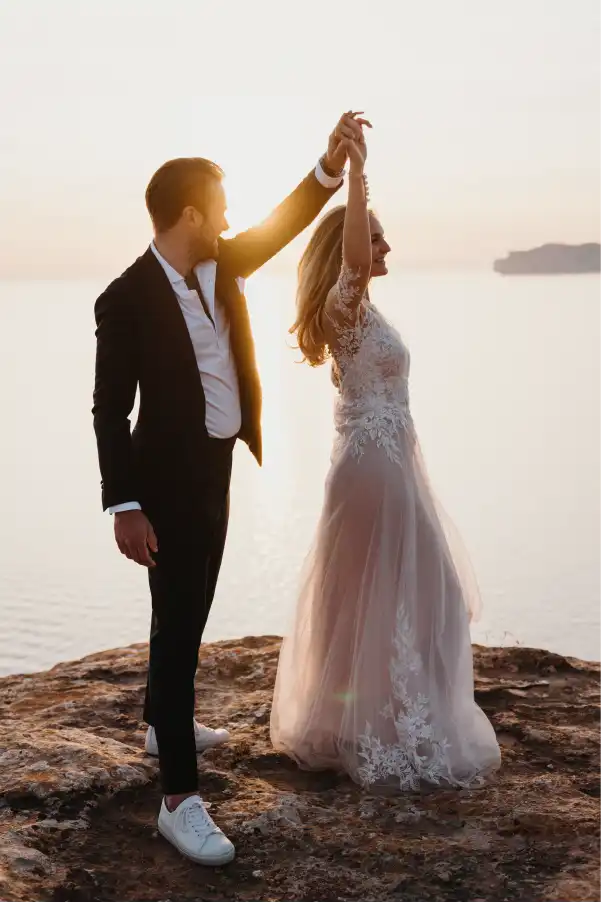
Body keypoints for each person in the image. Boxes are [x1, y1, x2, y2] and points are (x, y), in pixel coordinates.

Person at [92, 111, 364, 866]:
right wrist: (125, 505)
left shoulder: (221, 263)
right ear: (189, 215)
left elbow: (282, 224)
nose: (228, 219)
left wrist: (328, 163)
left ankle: (158, 720)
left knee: (183, 609)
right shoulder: (125, 297)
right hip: (163, 484)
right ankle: (179, 801)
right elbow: (109, 409)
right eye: (218, 206)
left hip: (216, 467)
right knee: (179, 632)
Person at [270, 122, 501, 791]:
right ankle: (388, 728)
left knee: (405, 593)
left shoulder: (361, 316)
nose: (385, 244)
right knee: (409, 591)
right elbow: (347, 263)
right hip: (373, 471)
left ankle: (387, 718)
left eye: (379, 233)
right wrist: (357, 176)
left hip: (385, 465)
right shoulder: (345, 306)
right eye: (375, 234)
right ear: (348, 250)